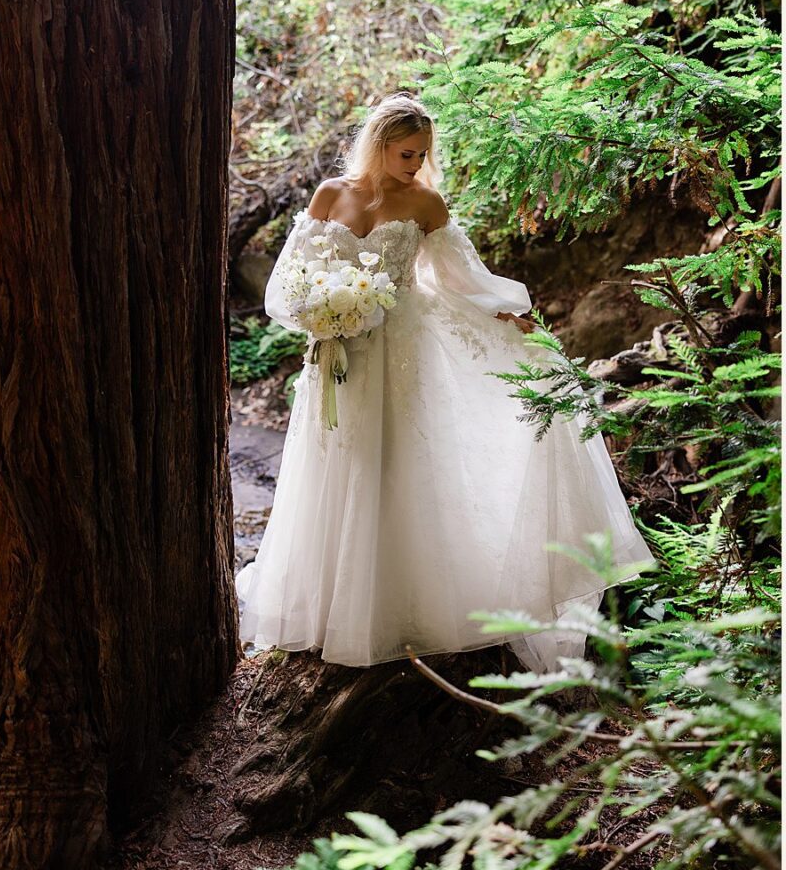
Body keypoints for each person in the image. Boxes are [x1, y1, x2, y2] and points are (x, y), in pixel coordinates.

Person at [235, 94, 653, 672]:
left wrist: (503, 310)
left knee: (400, 464)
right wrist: (322, 313)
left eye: (423, 153)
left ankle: (399, 608)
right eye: (407, 153)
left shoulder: (426, 203)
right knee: (336, 462)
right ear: (378, 144)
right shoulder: (331, 194)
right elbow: (290, 278)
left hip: (402, 351)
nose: (416, 163)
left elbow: (459, 277)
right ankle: (328, 604)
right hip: (335, 351)